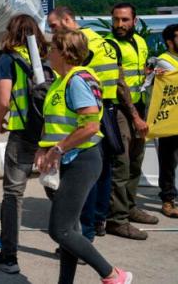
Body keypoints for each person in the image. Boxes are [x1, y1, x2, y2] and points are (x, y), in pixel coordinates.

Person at [35, 29, 132, 284]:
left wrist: (57, 149)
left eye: (52, 49)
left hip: (81, 159)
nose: (48, 54)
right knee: (72, 229)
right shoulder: (61, 80)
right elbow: (56, 123)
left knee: (61, 230)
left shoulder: (78, 80)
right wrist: (42, 148)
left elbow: (90, 126)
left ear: (64, 52)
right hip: (66, 160)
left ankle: (112, 275)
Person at [48, 6, 123, 241]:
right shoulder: (101, 40)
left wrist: (59, 147)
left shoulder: (77, 53)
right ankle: (98, 220)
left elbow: (88, 122)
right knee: (103, 172)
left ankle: (85, 232)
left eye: (53, 26)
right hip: (106, 105)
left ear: (68, 20)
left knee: (87, 181)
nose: (52, 31)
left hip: (87, 114)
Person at [0, 14, 47, 274]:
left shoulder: (8, 59)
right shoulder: (49, 57)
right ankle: (73, 242)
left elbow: (3, 100)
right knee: (58, 190)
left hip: (23, 132)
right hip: (52, 132)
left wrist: (0, 121)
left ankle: (9, 256)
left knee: (13, 194)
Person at [104, 3, 158, 239]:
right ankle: (116, 220)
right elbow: (119, 84)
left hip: (138, 106)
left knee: (136, 159)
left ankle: (130, 206)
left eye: (125, 20)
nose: (120, 25)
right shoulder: (110, 45)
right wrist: (135, 117)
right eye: (116, 20)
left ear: (134, 21)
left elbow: (138, 75)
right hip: (119, 110)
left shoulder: (140, 42)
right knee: (121, 164)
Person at [154, 23, 178, 218]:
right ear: (170, 42)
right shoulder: (164, 62)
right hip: (171, 122)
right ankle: (168, 199)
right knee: (169, 163)